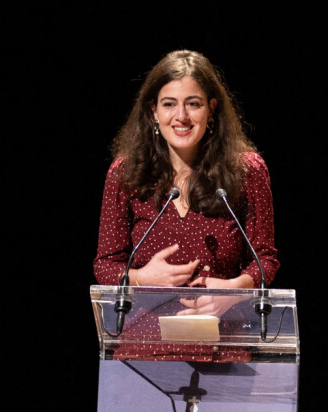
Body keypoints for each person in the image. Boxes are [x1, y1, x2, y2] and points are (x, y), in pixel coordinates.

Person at [93, 49, 279, 297]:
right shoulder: (126, 173)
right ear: (154, 111)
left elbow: (265, 259)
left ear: (211, 109)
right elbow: (105, 266)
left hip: (222, 327)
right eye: (169, 104)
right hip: (146, 329)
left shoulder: (247, 171)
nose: (181, 116)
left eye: (193, 104)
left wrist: (234, 291)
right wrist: (140, 278)